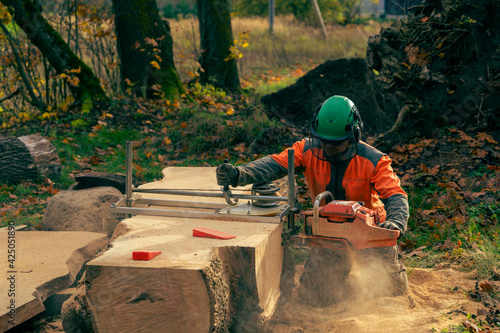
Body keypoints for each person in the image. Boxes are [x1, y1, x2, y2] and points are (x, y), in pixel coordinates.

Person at [216, 95, 409, 306]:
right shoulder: (307, 150)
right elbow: (275, 164)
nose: (327, 147)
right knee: (315, 298)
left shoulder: (374, 160)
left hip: (371, 233)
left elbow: (395, 195)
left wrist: (396, 222)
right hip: (328, 233)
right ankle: (341, 292)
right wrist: (241, 173)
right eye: (323, 140)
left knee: (392, 295)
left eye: (334, 143)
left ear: (353, 135)